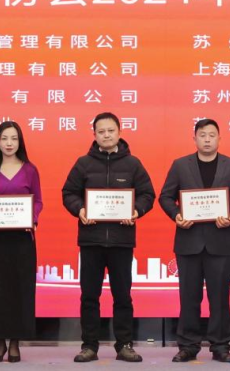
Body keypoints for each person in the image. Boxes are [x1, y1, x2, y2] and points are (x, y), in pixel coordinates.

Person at [61, 112, 155, 363]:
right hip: (91, 240)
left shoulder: (133, 164)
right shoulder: (83, 164)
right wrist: (80, 210)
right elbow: (69, 193)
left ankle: (124, 345)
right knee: (89, 296)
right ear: (94, 135)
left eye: (110, 131)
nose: (106, 135)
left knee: (122, 296)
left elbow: (147, 194)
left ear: (119, 132)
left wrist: (136, 211)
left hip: (121, 240)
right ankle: (89, 346)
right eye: (101, 131)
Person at [159, 118, 230, 364]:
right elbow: (165, 197)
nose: (207, 140)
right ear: (195, 139)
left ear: (220, 138)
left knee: (219, 297)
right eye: (202, 135)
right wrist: (176, 215)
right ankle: (188, 346)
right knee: (188, 297)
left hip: (221, 243)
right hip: (188, 242)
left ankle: (220, 346)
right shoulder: (180, 165)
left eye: (212, 135)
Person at [0, 121, 43, 363]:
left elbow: (38, 201)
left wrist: (32, 218)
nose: (9, 143)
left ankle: (15, 342)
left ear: (20, 142)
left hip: (22, 239)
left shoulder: (30, 170)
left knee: (20, 289)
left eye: (14, 138)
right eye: (4, 138)